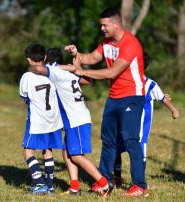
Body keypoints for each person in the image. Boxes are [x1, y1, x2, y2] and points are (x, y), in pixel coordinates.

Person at [65, 8, 148, 197]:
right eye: (101, 25)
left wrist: (83, 72)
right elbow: (92, 58)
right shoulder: (106, 43)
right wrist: (77, 53)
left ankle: (140, 185)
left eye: (104, 25)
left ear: (116, 24)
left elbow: (111, 72)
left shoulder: (130, 44)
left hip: (132, 96)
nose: (102, 28)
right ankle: (104, 180)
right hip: (114, 97)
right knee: (108, 140)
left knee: (130, 140)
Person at [29, 48, 112, 196]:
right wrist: (76, 67)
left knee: (77, 156)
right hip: (74, 120)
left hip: (76, 120)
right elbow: (87, 80)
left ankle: (104, 183)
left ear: (49, 61)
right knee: (66, 152)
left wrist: (69, 66)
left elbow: (37, 68)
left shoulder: (56, 72)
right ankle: (74, 187)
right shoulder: (67, 74)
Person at [113, 53, 180, 188]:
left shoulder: (150, 84)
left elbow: (162, 97)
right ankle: (117, 178)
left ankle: (138, 183)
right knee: (116, 148)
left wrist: (174, 110)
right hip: (124, 123)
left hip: (141, 127)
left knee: (139, 152)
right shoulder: (124, 81)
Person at [19, 43, 63, 194]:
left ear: (29, 60)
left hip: (37, 119)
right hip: (53, 119)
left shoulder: (27, 76)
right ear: (45, 58)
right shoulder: (52, 74)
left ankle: (39, 183)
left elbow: (25, 97)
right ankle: (50, 185)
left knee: (28, 150)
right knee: (48, 149)